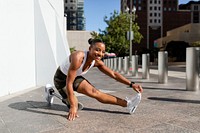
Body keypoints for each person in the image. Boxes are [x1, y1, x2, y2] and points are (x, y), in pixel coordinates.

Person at [45, 38, 143, 121]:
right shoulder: (78, 57)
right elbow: (69, 83)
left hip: (74, 78)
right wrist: (73, 106)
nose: (100, 54)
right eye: (97, 50)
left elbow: (114, 74)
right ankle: (51, 91)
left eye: (103, 51)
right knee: (75, 104)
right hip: (61, 79)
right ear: (90, 49)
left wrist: (131, 84)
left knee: (95, 92)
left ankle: (128, 104)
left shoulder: (97, 62)